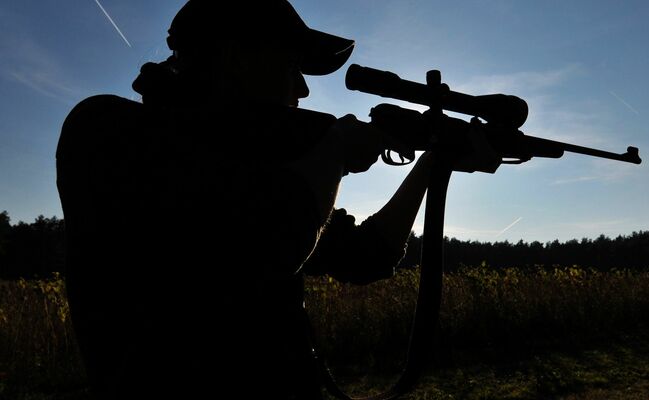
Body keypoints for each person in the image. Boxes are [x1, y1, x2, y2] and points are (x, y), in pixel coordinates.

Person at [56, 1, 499, 399]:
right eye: (292, 66)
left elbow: (368, 255)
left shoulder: (260, 167)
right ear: (234, 58)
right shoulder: (106, 130)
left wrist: (431, 163)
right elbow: (265, 245)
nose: (303, 90)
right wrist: (334, 152)